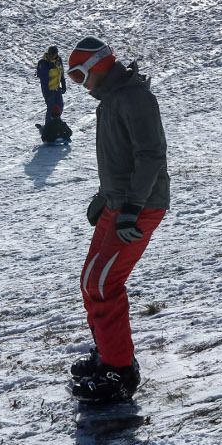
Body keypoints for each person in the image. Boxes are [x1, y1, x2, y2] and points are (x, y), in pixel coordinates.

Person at [65, 36, 170, 403]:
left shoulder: (135, 98)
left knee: (105, 282)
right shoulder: (111, 101)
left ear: (98, 65)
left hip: (140, 206)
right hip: (120, 202)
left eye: (79, 75)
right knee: (90, 280)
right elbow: (119, 159)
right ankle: (108, 353)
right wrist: (105, 196)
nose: (80, 84)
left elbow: (151, 156)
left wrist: (130, 208)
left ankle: (119, 371)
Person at [36, 45, 67, 125]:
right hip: (49, 89)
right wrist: (47, 93)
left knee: (59, 107)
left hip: (57, 89)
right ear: (48, 54)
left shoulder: (58, 61)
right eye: (51, 55)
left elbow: (61, 73)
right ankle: (48, 128)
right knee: (51, 109)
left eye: (54, 55)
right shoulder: (44, 63)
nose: (52, 56)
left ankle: (56, 125)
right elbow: (44, 80)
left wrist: (63, 84)